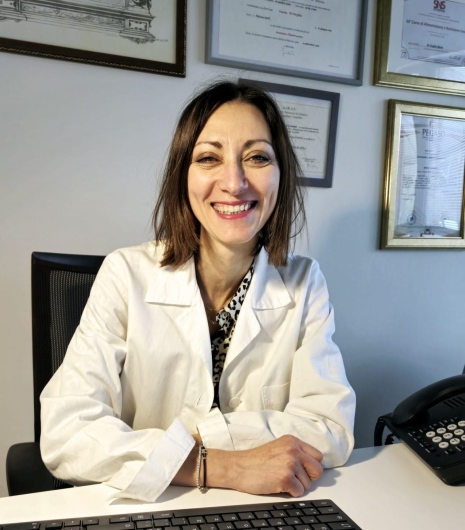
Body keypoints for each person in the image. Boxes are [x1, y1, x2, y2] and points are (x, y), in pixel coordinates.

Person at [40, 80, 356, 502]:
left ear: (281, 174)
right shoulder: (125, 273)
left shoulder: (304, 281)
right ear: (182, 176)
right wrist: (227, 465)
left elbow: (330, 428)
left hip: (263, 504)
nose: (234, 182)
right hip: (151, 504)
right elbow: (66, 434)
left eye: (257, 157)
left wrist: (197, 438)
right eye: (209, 158)